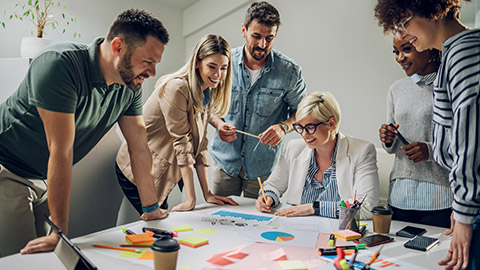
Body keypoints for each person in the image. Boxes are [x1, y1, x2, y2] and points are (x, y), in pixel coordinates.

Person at [0, 9, 169, 257]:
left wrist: (151, 208)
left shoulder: (129, 87)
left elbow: (139, 147)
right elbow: (61, 150)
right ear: (119, 47)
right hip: (8, 168)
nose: (152, 72)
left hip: (44, 177)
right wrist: (60, 233)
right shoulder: (60, 63)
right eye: (148, 62)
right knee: (19, 258)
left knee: (51, 258)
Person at [374, 0, 479, 269]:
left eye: (403, 23)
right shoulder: (453, 55)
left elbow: (470, 141)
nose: (404, 35)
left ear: (427, 11)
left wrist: (464, 212)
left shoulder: (464, 54)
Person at [116, 34, 238, 213]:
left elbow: (200, 144)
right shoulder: (177, 88)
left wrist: (208, 194)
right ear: (197, 62)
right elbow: (182, 142)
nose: (218, 75)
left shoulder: (206, 92)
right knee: (158, 225)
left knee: (162, 224)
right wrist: (191, 200)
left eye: (224, 68)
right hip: (135, 169)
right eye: (212, 66)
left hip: (157, 168)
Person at [209, 1, 307, 199]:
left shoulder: (290, 72)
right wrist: (218, 123)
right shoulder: (223, 63)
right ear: (244, 30)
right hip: (224, 163)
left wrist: (283, 128)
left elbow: (304, 112)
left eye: (269, 38)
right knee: (220, 224)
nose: (262, 44)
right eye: (256, 36)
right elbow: (205, 103)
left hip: (264, 168)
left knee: (259, 225)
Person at [255, 92, 379, 220]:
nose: (304, 134)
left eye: (310, 127)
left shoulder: (362, 151)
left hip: (337, 232)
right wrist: (268, 197)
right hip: (296, 229)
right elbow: (273, 185)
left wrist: (314, 208)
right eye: (300, 127)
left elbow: (366, 207)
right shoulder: (294, 148)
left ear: (331, 123)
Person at [378, 35, 452, 228]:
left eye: (406, 49)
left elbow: (466, 143)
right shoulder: (396, 88)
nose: (399, 57)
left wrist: (431, 150)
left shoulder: (450, 86)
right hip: (400, 197)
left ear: (428, 47)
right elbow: (392, 147)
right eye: (396, 52)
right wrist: (387, 139)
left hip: (440, 199)